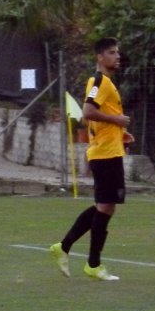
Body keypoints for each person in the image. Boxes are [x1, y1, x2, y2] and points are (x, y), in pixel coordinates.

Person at [49, 37, 130, 281]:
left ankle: (65, 248)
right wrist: (118, 121)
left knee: (104, 207)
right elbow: (88, 112)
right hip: (105, 154)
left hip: (109, 150)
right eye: (112, 53)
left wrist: (121, 131)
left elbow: (96, 117)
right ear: (100, 57)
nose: (117, 57)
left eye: (117, 52)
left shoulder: (104, 83)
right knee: (105, 207)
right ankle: (92, 264)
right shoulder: (99, 81)